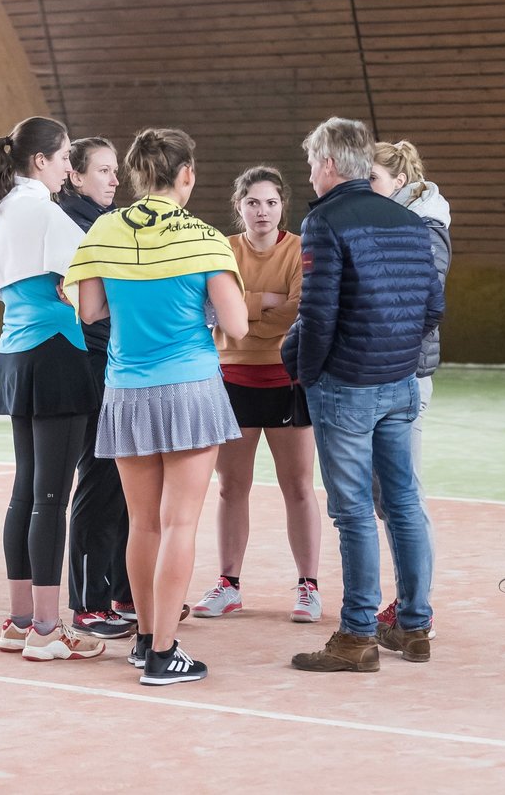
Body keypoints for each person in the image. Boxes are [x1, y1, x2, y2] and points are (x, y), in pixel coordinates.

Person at [64, 128, 248, 686]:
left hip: (126, 389)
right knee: (180, 524)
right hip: (191, 388)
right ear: (186, 174)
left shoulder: (103, 230)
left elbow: (89, 310)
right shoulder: (207, 237)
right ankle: (167, 654)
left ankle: (145, 641)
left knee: (142, 525)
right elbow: (237, 325)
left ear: (138, 173)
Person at [283, 117, 443, 673]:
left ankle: (356, 636)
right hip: (401, 384)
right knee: (402, 503)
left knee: (353, 513)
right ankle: (414, 625)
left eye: (310, 163)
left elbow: (318, 313)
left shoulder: (323, 221)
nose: (309, 173)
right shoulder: (407, 218)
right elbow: (432, 308)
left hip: (346, 389)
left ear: (329, 164)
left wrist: (303, 372)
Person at [0, 116, 104, 662]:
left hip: (15, 354)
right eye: (65, 157)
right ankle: (49, 631)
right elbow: (98, 272)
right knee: (52, 497)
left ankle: (21, 620)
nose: (69, 167)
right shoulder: (44, 211)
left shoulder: (0, 209)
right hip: (55, 354)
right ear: (40, 162)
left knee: (26, 491)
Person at [193, 166, 322, 623]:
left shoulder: (300, 249)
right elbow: (214, 309)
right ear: (239, 206)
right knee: (231, 487)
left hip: (287, 380)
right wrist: (267, 301)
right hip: (231, 379)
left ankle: (308, 586)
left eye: (270, 202)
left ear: (281, 205)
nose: (262, 210)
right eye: (253, 202)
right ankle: (229, 585)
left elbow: (301, 308)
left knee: (299, 487)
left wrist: (245, 307)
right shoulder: (223, 250)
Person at [368, 140, 451, 639]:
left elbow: (423, 300)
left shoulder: (427, 227)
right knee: (387, 496)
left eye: (373, 179)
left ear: (398, 182)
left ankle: (416, 609)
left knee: (404, 496)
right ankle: (408, 603)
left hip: (407, 376)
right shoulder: (390, 220)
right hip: (382, 373)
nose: (366, 188)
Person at [57, 137, 135, 641]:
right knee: (99, 481)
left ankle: (125, 592)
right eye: (103, 171)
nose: (113, 179)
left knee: (127, 483)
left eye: (115, 171)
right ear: (76, 177)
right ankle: (88, 603)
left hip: (120, 364)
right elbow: (85, 303)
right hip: (91, 366)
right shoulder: (71, 225)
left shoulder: (106, 223)